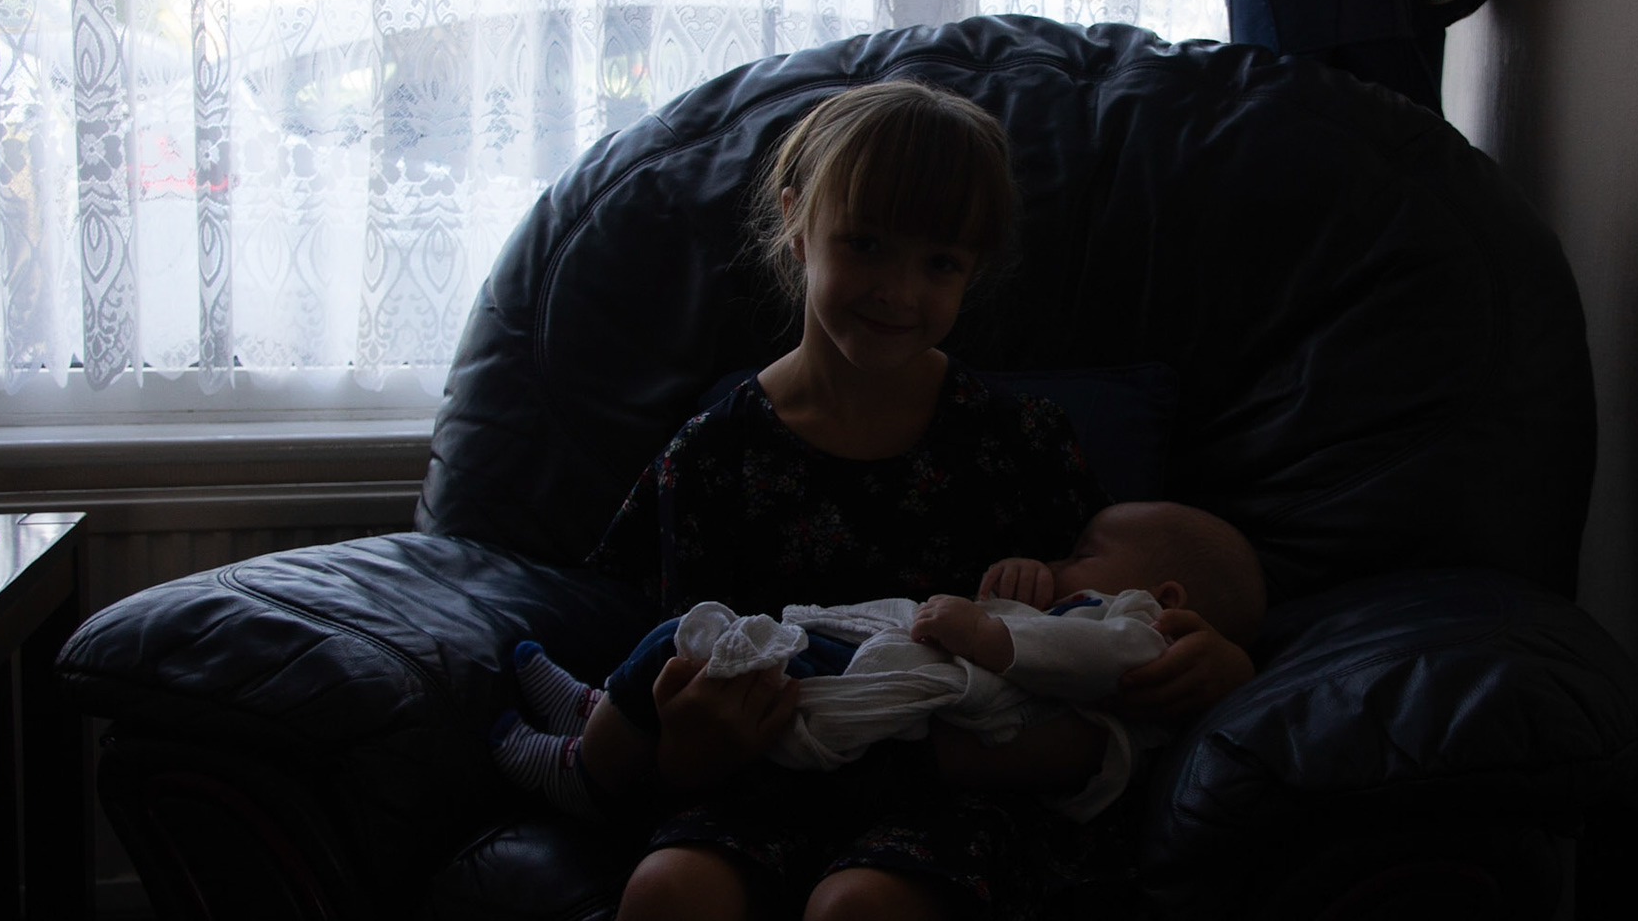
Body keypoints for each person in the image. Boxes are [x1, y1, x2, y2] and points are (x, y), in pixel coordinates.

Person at [493, 79, 1258, 921]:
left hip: (955, 793)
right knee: (670, 890)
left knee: (861, 906)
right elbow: (680, 680)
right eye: (865, 244)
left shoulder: (1021, 443)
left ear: (974, 269)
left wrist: (1217, 665)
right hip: (765, 779)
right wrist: (687, 754)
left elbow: (1115, 618)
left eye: (940, 263)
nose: (899, 290)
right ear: (797, 221)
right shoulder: (714, 456)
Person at [498, 500, 1266, 824]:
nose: (1060, 565)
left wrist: (989, 630)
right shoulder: (1074, 627)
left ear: (1161, 597)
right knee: (701, 644)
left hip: (882, 706)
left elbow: (1070, 654)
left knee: (694, 638)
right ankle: (598, 714)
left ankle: (586, 771)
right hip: (874, 701)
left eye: (1080, 555)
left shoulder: (1125, 633)